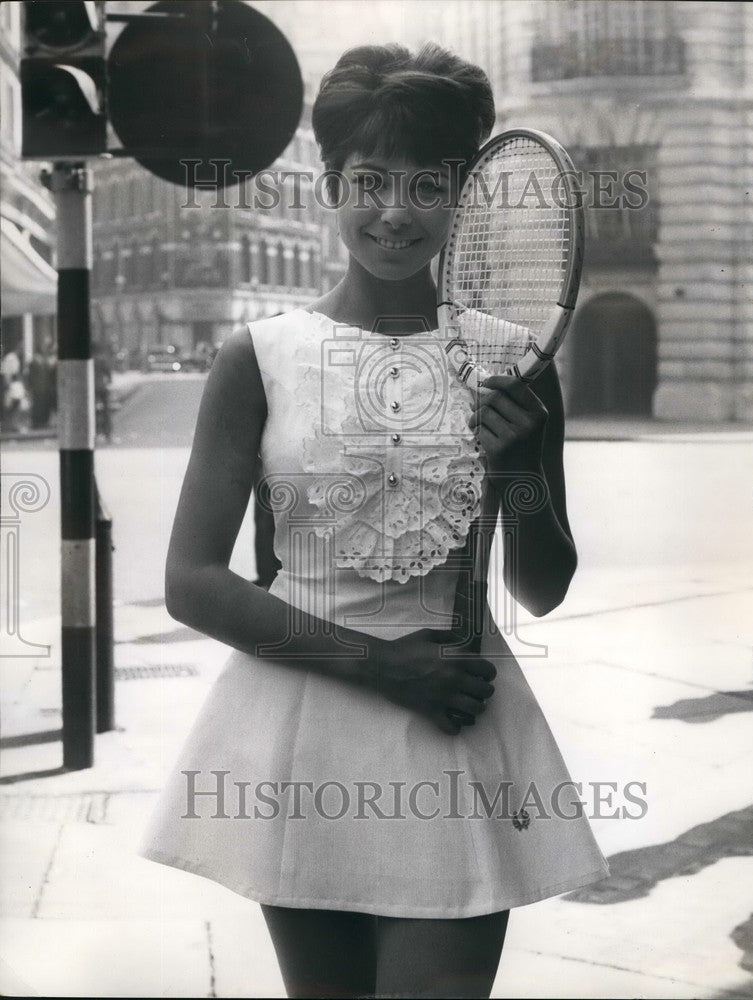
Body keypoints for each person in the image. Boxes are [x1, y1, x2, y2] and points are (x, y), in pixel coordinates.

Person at [140, 43, 608, 998]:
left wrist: (520, 469)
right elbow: (193, 582)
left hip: (456, 726)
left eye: (427, 185)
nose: (395, 212)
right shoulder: (259, 357)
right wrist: (384, 667)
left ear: (463, 196)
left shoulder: (515, 359)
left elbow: (541, 587)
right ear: (331, 185)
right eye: (370, 181)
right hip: (301, 726)